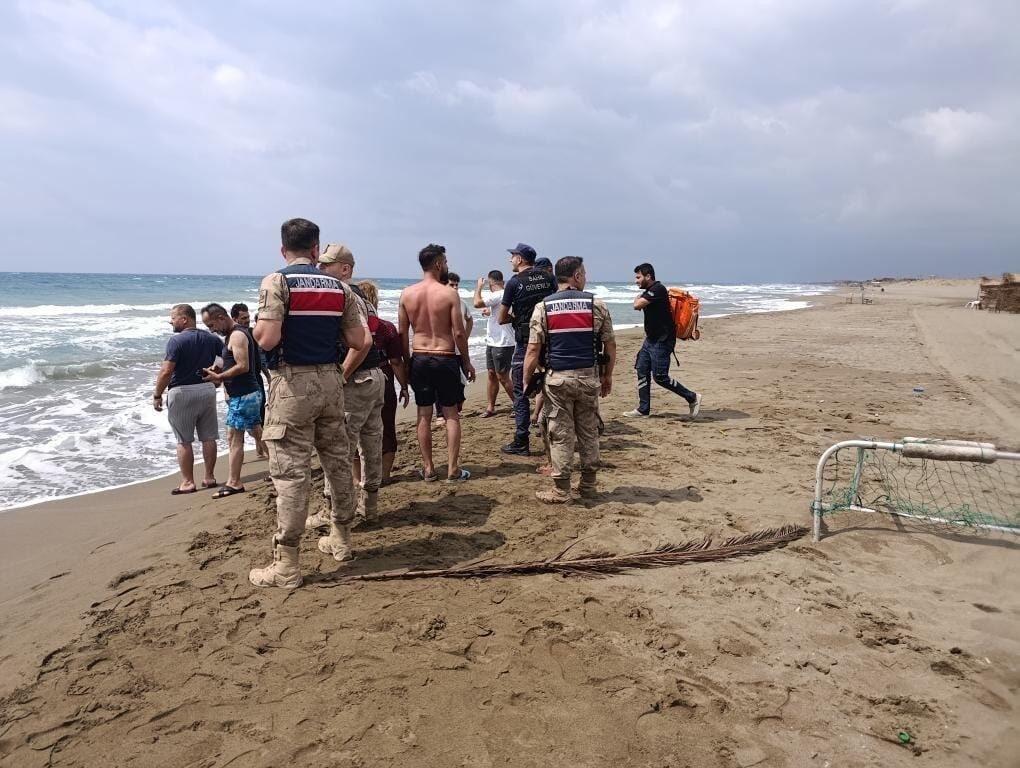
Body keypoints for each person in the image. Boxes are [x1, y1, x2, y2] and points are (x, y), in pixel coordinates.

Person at [247, 218, 369, 589]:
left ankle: (286, 564)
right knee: (337, 462)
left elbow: (267, 339)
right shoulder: (339, 287)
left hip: (292, 385)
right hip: (331, 380)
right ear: (316, 250)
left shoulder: (277, 281)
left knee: (292, 474)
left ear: (284, 249)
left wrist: (254, 330)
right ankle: (341, 540)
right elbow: (359, 340)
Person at [523, 256, 616, 503]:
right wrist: (607, 377)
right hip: (588, 378)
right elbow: (610, 345)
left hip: (558, 380)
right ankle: (588, 485)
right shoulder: (597, 305)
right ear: (576, 276)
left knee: (560, 433)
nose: (586, 278)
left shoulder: (543, 307)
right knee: (589, 432)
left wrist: (526, 381)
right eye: (584, 273)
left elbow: (533, 350)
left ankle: (561, 490)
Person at [312, 242, 386, 525]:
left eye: (325, 265)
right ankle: (370, 506)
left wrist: (341, 375)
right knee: (370, 444)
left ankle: (334, 511)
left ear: (344, 269)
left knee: (340, 449)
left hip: (357, 379)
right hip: (374, 377)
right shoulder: (361, 295)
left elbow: (362, 343)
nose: (320, 269)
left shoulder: (346, 295)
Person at [398, 244, 476, 482]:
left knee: (423, 414)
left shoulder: (407, 294)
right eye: (446, 261)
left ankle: (429, 468)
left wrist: (407, 362)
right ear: (439, 264)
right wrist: (467, 362)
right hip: (445, 358)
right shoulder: (449, 294)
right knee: (451, 414)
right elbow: (459, 333)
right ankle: (452, 468)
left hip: (420, 357)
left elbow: (403, 334)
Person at [152, 304, 222, 495]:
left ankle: (188, 482)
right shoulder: (211, 338)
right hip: (207, 389)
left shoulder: (176, 341)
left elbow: (167, 371)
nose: (170, 321)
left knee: (183, 440)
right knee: (208, 436)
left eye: (173, 317)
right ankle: (209, 477)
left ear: (184, 319)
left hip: (182, 391)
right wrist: (217, 375)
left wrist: (157, 394)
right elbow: (225, 358)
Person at [200, 303, 263, 498]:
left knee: (235, 438)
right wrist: (216, 369)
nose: (211, 330)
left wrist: (219, 378)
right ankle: (280, 467)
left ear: (220, 318)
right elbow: (226, 359)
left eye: (211, 325)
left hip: (244, 394)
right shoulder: (231, 336)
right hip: (246, 393)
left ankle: (234, 482)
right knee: (257, 433)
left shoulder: (237, 335)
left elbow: (243, 365)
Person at [497, 242, 555, 456]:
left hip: (526, 340)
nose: (510, 260)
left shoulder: (514, 282)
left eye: (512, 256)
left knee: (521, 390)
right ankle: (553, 432)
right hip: (550, 339)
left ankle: (522, 439)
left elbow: (502, 317)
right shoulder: (549, 278)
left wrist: (517, 318)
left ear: (520, 259)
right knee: (551, 385)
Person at [623, 262, 702, 419]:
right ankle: (643, 409)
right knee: (641, 369)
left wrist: (637, 298)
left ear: (648, 276)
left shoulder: (657, 289)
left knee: (660, 377)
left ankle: (692, 397)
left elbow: (637, 305)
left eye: (638, 277)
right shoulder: (650, 291)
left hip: (662, 340)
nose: (636, 281)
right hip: (650, 339)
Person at [358, 280, 410, 484]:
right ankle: (384, 475)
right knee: (386, 426)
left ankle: (358, 477)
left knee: (355, 430)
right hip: (383, 378)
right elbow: (396, 361)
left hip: (356, 379)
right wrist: (405, 386)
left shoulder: (347, 329)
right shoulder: (386, 328)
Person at [473, 270, 515, 417]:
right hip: (493, 340)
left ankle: (518, 404)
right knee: (491, 374)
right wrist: (490, 312)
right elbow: (503, 312)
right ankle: (491, 407)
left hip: (503, 342)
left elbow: (476, 303)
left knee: (502, 376)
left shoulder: (498, 294)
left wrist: (478, 287)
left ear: (491, 283)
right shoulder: (501, 296)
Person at [232, 302, 269, 457]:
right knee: (242, 424)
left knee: (258, 419)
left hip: (255, 381)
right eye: (243, 318)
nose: (247, 320)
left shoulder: (252, 334)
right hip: (242, 384)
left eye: (248, 317)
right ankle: (258, 450)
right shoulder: (235, 336)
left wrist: (267, 376)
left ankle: (262, 451)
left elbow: (259, 359)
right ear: (235, 318)